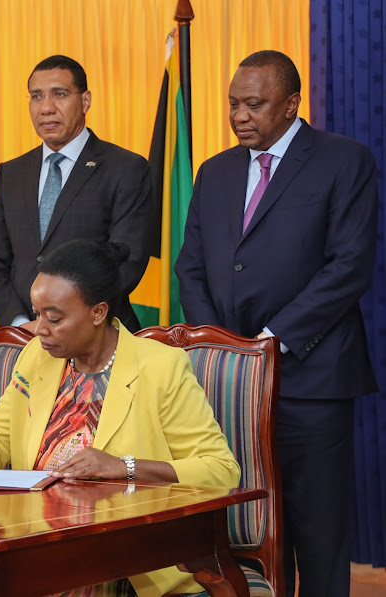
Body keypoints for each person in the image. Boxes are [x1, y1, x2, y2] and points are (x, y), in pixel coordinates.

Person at [0, 239, 240, 597]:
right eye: (36, 313)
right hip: (36, 545)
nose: (39, 328)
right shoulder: (38, 355)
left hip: (131, 559)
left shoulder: (160, 367)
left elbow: (220, 470)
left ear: (98, 313)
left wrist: (124, 467)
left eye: (55, 317)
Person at [174, 50, 378, 597]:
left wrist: (270, 341)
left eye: (255, 104)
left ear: (291, 104)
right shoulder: (214, 171)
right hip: (230, 383)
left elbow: (349, 266)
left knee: (317, 532)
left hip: (310, 379)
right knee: (246, 531)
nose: (240, 115)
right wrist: (220, 347)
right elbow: (190, 266)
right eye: (233, 104)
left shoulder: (344, 160)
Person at [0, 55, 155, 334]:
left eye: (59, 94)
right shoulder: (9, 174)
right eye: (37, 97)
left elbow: (126, 263)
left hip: (97, 337)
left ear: (85, 101)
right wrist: (21, 325)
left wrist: (61, 321)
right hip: (24, 340)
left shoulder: (125, 168)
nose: (46, 108)